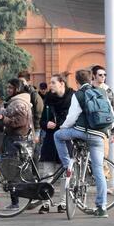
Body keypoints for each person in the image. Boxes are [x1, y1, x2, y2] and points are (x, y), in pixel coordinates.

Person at [54, 69, 112, 218]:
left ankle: (67, 165)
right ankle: (102, 207)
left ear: (77, 82)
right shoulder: (102, 92)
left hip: (81, 132)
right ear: (91, 78)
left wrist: (63, 127)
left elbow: (72, 117)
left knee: (58, 136)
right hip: (99, 135)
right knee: (98, 170)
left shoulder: (78, 94)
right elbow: (110, 113)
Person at [37, 74, 75, 213]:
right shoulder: (48, 99)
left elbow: (75, 119)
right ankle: (45, 203)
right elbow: (41, 121)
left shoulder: (72, 98)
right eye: (50, 82)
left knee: (65, 173)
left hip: (66, 140)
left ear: (62, 83)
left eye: (53, 82)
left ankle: (63, 203)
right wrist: (46, 124)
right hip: (50, 140)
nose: (50, 85)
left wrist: (59, 124)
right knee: (47, 173)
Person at [1, 78, 35, 210]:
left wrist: (3, 119)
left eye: (11, 87)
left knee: (15, 170)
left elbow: (19, 121)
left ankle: (19, 202)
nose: (8, 90)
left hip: (17, 140)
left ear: (17, 89)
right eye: (8, 87)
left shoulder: (19, 102)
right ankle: (24, 200)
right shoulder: (18, 101)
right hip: (18, 139)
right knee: (19, 170)